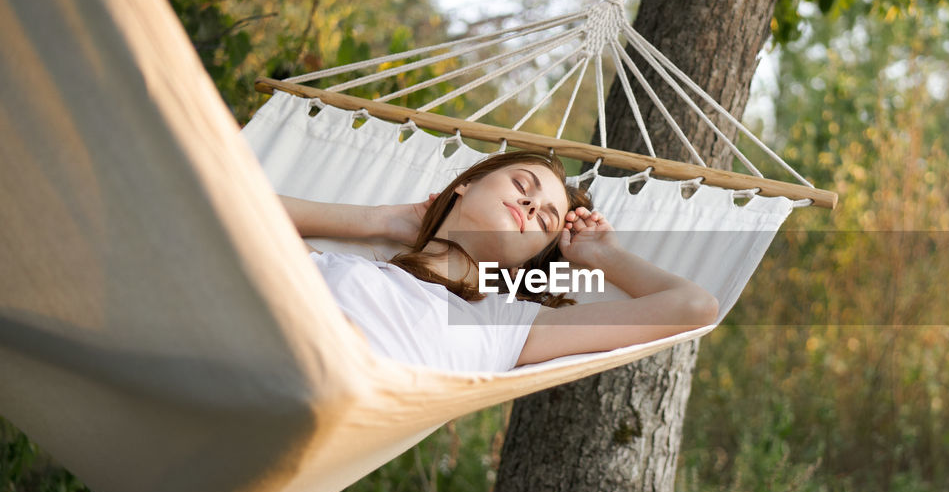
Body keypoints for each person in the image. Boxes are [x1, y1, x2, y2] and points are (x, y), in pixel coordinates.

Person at [280, 150, 718, 372]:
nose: (530, 205)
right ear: (466, 185)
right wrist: (390, 220)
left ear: (525, 263)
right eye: (523, 184)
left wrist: (605, 256)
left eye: (546, 218)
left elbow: (693, 307)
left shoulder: (510, 323)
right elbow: (229, 208)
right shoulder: (340, 264)